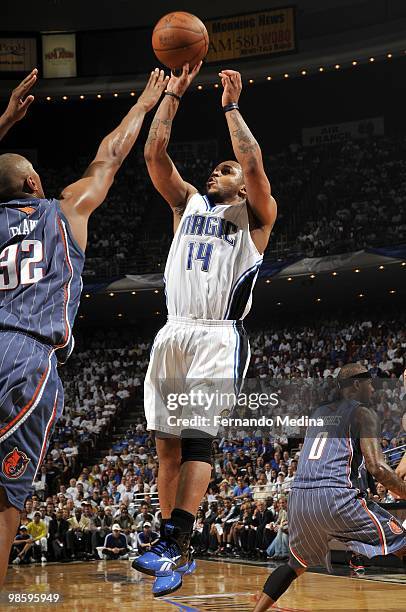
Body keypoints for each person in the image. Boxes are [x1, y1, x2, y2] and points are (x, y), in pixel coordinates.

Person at [0, 66, 168, 589]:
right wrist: (142, 104)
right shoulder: (64, 208)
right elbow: (110, 155)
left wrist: (2, 122)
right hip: (28, 356)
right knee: (6, 495)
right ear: (33, 183)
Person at [134, 63, 277, 597]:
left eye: (226, 169)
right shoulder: (187, 203)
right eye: (216, 169)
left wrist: (230, 107)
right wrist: (171, 97)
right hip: (173, 332)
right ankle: (171, 541)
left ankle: (178, 537)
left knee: (197, 439)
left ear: (241, 185)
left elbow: (255, 164)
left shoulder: (255, 217)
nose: (218, 172)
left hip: (219, 334)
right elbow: (154, 156)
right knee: (165, 448)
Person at [253, 363, 406, 611]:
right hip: (335, 496)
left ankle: (257, 610)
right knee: (403, 544)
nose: (373, 389)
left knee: (295, 565)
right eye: (369, 383)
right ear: (356, 385)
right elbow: (377, 468)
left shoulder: (319, 414)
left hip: (300, 498)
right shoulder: (363, 413)